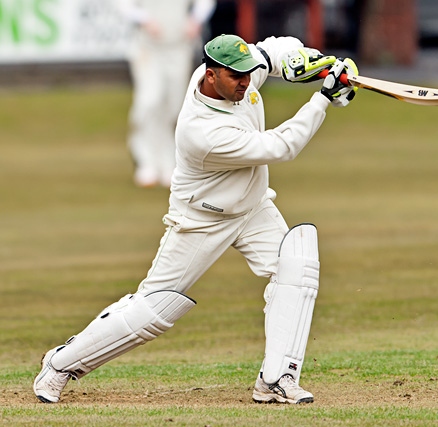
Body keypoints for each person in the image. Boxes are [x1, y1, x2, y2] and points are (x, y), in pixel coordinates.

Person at [33, 34, 358, 405]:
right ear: (210, 75)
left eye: (249, 75)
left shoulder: (236, 76)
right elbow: (281, 147)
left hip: (252, 207)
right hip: (201, 218)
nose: (246, 84)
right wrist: (322, 99)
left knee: (296, 267)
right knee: (153, 310)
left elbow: (273, 48)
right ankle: (61, 364)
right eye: (236, 77)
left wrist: (307, 62)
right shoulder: (202, 132)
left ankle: (275, 380)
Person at [117, 0, 217, 188]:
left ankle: (168, 163)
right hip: (148, 47)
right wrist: (144, 19)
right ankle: (146, 162)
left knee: (174, 107)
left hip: (179, 47)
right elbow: (124, 4)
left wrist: (195, 20)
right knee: (149, 101)